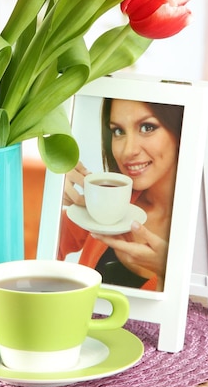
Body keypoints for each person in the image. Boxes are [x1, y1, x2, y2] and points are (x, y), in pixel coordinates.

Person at [59, 98, 183, 291]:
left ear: (180, 131)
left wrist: (168, 272)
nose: (128, 151)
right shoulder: (108, 202)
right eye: (118, 131)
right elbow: (34, 249)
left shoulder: (196, 230)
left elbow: (191, 315)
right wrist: (51, 188)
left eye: (147, 127)